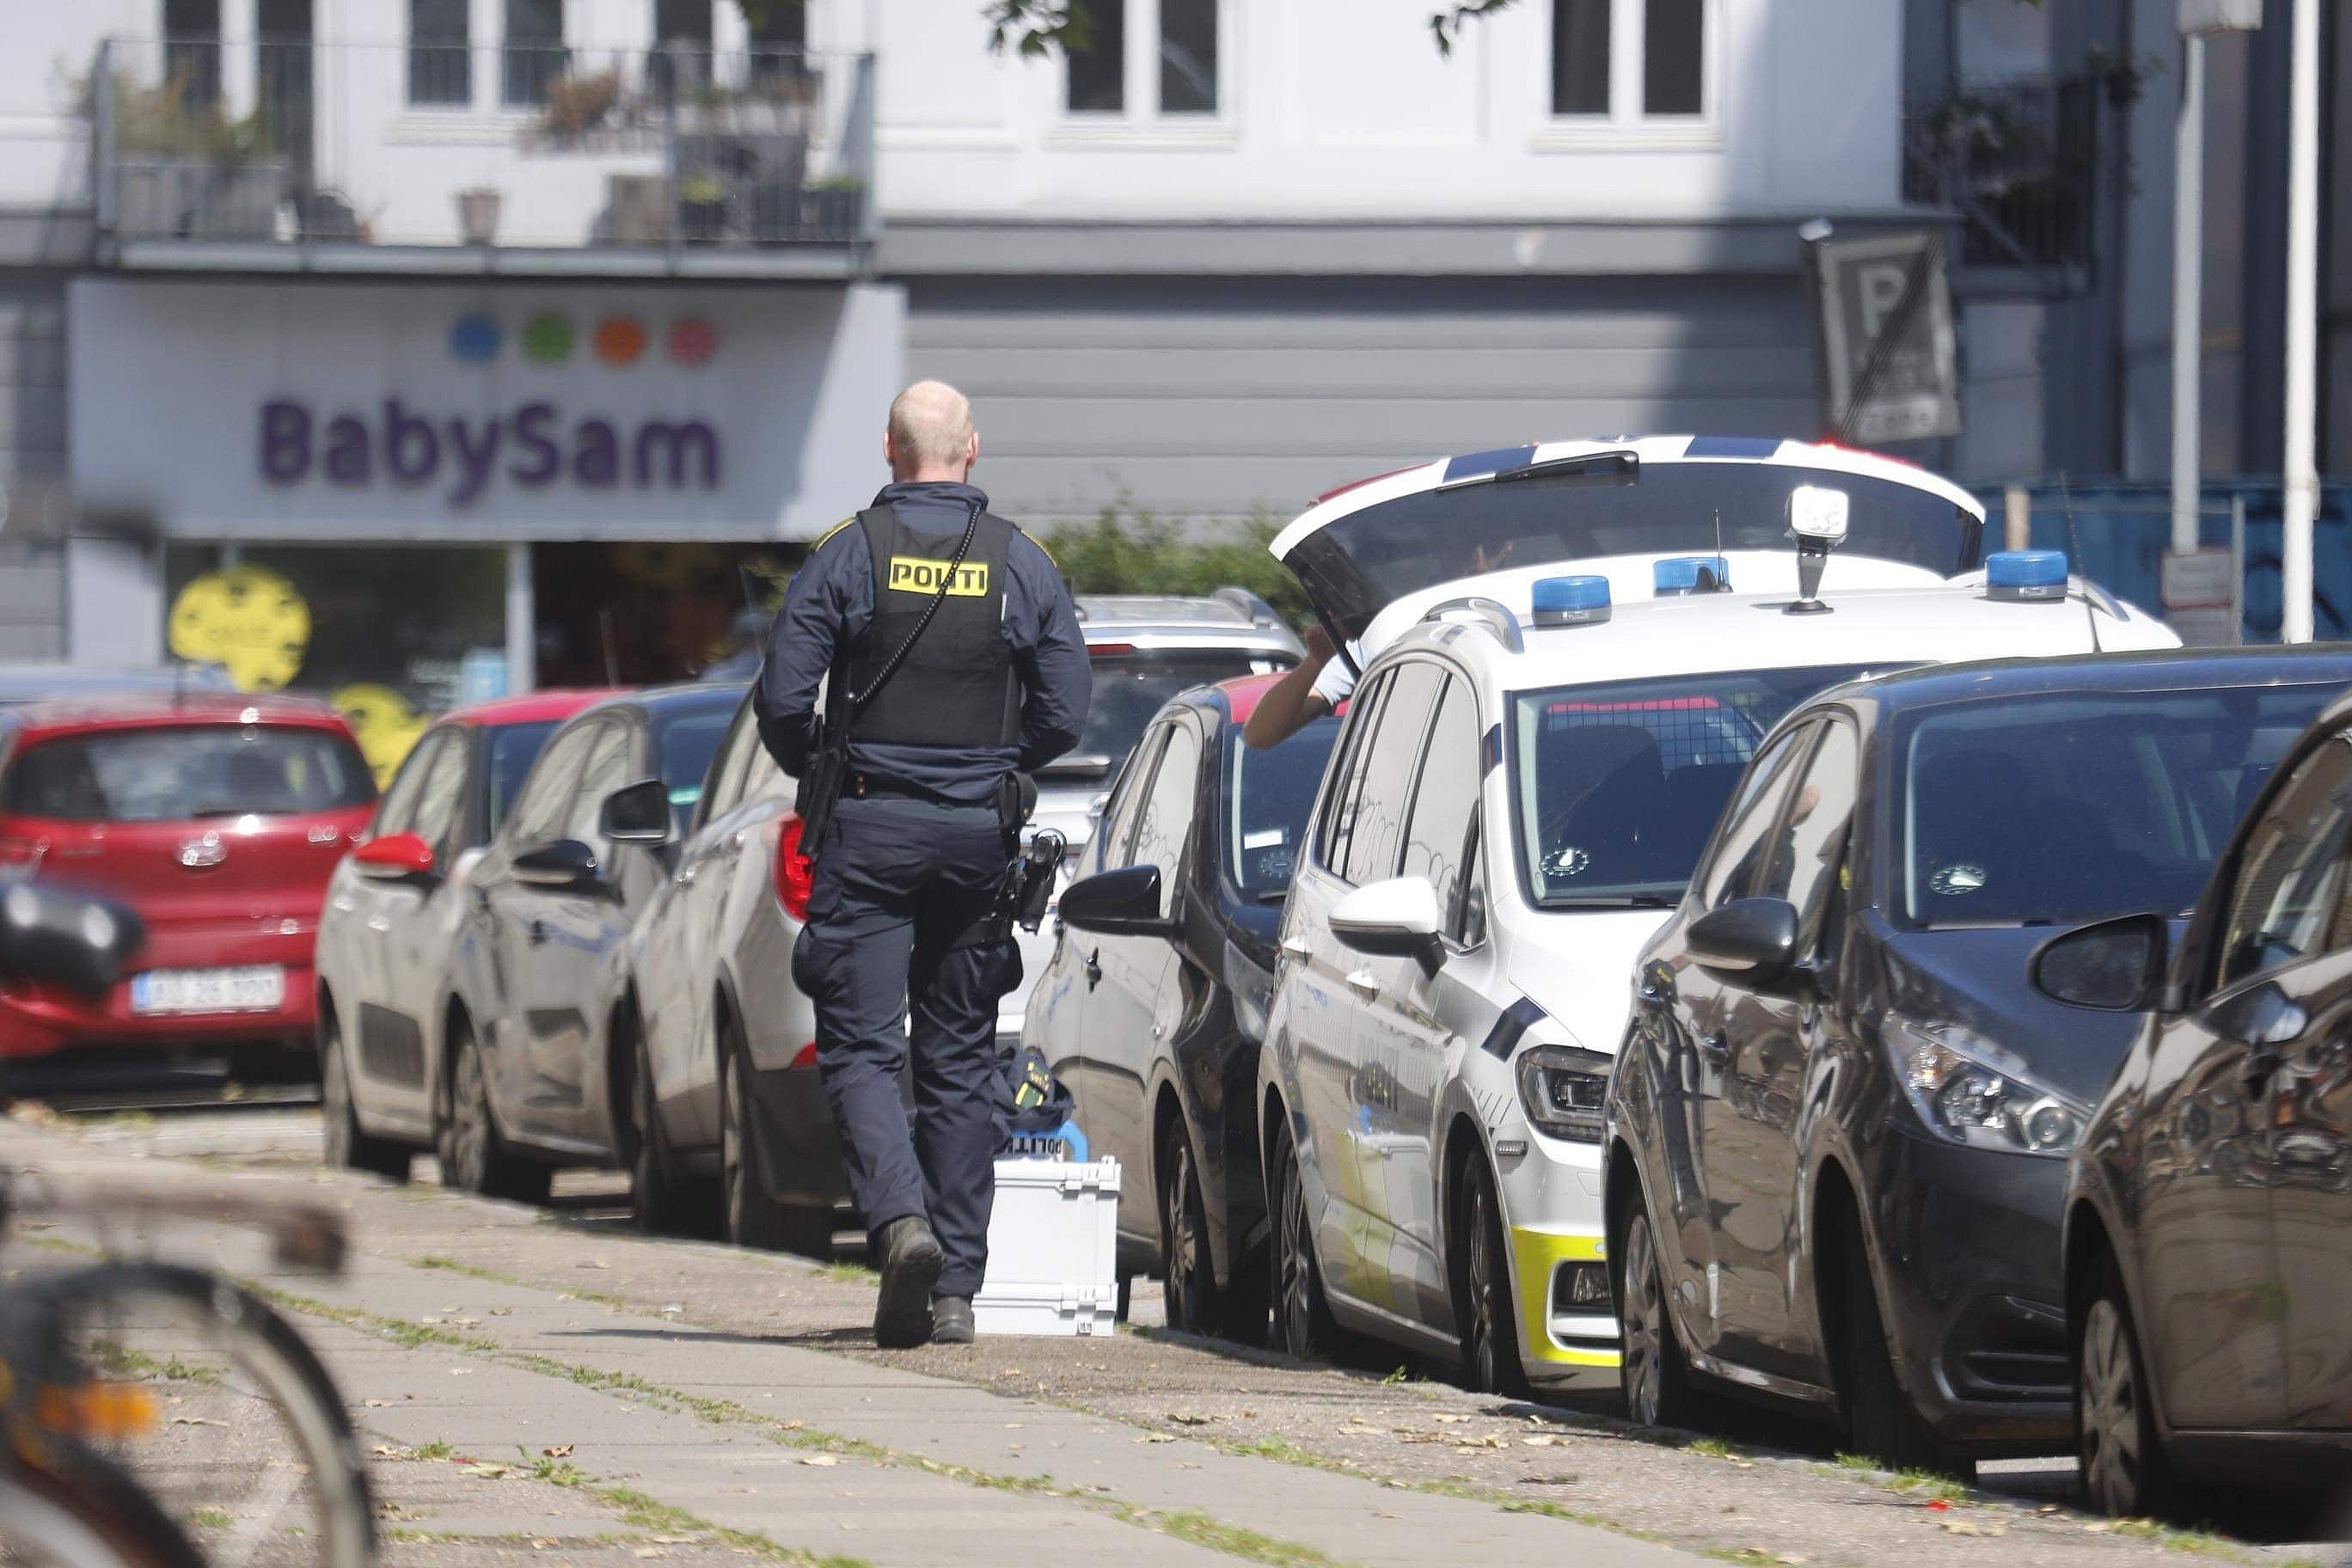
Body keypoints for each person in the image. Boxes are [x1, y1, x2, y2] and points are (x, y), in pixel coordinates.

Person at [754, 381, 1089, 1348]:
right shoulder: (1021, 563)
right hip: (977, 837)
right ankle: (955, 1293)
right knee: (958, 1053)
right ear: (972, 450)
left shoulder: (845, 556)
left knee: (862, 1045)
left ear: (891, 453)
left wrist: (823, 764)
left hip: (870, 828)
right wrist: (994, 768)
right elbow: (1066, 707)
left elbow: (784, 700)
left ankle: (900, 1225)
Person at [1240, 540, 1511, 751]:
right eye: (1463, 551)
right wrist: (1315, 661)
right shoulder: (1392, 636)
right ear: (1441, 558)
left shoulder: (1541, 629)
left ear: (1510, 550)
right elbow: (1259, 735)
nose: (1478, 561)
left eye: (1490, 549)